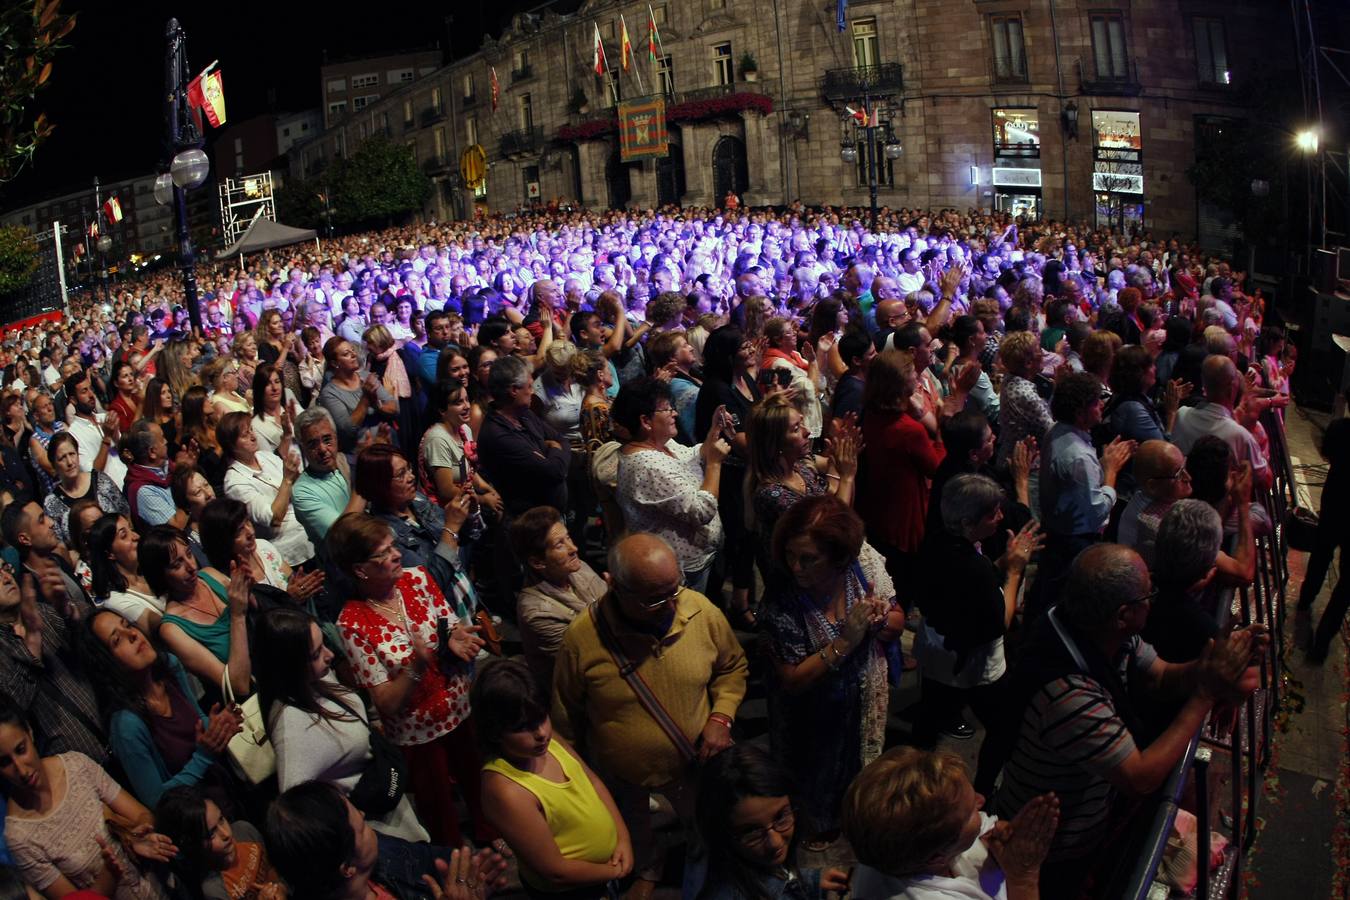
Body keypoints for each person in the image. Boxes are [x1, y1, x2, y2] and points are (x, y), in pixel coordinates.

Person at [993, 544, 1266, 896]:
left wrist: (1212, 665)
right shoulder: (1068, 694)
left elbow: (1160, 676)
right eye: (1147, 594)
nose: (1152, 600)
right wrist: (1207, 693)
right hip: (1048, 847)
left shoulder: (1093, 627)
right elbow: (1140, 777)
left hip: (1083, 822)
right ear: (1122, 614)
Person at [551, 533, 748, 899]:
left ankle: (702, 868)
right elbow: (566, 716)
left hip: (693, 765)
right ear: (613, 585)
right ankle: (649, 868)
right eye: (655, 599)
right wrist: (580, 780)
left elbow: (732, 667)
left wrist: (721, 718)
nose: (671, 605)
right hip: (622, 774)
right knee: (634, 829)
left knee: (705, 829)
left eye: (675, 589)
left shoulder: (700, 610)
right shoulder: (581, 640)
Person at [330, 512, 490, 847]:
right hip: (418, 735)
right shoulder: (352, 623)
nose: (397, 555)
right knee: (439, 811)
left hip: (459, 708)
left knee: (478, 784)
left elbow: (448, 625)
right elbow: (386, 702)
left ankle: (490, 834)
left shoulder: (417, 578)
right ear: (360, 570)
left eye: (394, 546)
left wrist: (455, 638)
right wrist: (416, 666)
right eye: (384, 553)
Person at [759, 495, 902, 849]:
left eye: (809, 559)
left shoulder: (862, 568)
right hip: (810, 717)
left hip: (860, 701)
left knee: (853, 765)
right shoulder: (782, 600)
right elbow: (791, 679)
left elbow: (898, 619)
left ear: (840, 557)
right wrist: (847, 639)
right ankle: (812, 824)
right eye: (791, 555)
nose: (796, 567)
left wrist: (881, 620)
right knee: (811, 776)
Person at [253, 606, 429, 842]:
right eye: (316, 654)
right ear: (290, 664)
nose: (329, 654)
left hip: (391, 809)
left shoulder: (316, 677)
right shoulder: (293, 727)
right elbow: (295, 813)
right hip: (373, 835)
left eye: (323, 644)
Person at [912, 476, 1042, 792]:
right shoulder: (975, 569)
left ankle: (913, 779)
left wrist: (1001, 562)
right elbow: (1001, 620)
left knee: (930, 715)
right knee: (1003, 726)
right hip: (974, 660)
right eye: (993, 513)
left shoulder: (936, 542)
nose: (1000, 517)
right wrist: (1014, 571)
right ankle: (982, 790)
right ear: (969, 522)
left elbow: (966, 585)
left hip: (936, 649)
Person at [474, 658, 632, 897]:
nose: (541, 733)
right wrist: (614, 872)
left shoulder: (547, 741)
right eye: (523, 727)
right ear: (495, 731)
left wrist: (623, 838)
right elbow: (555, 872)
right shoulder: (506, 790)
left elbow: (593, 782)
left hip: (603, 875)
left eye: (542, 718)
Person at [0, 701, 178, 900]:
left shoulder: (76, 766)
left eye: (21, 750)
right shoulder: (19, 837)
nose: (21, 770)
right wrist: (108, 874)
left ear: (30, 732)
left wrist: (133, 836)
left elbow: (142, 815)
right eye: (4, 762)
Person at [843, 748, 1059, 900]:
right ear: (937, 857)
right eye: (970, 811)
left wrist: (991, 839)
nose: (981, 799)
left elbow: (979, 828)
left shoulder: (884, 842)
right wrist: (1023, 878)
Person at [81, 609, 242, 808]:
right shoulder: (127, 725)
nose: (133, 634)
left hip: (223, 784)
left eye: (127, 625)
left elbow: (197, 721)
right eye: (117, 640)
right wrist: (203, 757)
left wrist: (218, 726)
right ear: (107, 664)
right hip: (195, 816)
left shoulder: (169, 666)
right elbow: (157, 800)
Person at [264, 780, 507, 900]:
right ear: (347, 868)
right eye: (359, 828)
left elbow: (433, 859)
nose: (362, 814)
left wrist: (471, 876)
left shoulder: (381, 852)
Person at [613, 378, 731, 593]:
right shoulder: (646, 465)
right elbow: (700, 510)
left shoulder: (663, 443)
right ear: (646, 421)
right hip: (683, 570)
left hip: (703, 556)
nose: (675, 413)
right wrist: (715, 464)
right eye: (668, 409)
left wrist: (714, 431)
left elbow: (693, 456)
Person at [1033, 373, 1134, 618]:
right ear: (1080, 412)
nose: (1101, 405)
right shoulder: (1078, 456)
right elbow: (1096, 510)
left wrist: (1101, 464)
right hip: (1073, 542)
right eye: (1095, 401)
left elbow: (1076, 485)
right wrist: (1110, 471)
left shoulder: (1057, 431)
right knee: (1063, 606)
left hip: (1057, 533)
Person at [0, 540, 108, 764]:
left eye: (5, 568)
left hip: (115, 739)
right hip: (69, 770)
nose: (5, 577)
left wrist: (65, 609)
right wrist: (32, 641)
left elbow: (93, 643)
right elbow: (14, 711)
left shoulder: (41, 611)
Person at [694, 743, 848, 900]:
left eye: (781, 817)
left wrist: (811, 882)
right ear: (720, 835)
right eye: (751, 831)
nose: (774, 843)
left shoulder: (758, 861)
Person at [745, 395, 859, 591]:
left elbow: (830, 497)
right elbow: (834, 527)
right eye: (796, 429)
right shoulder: (772, 496)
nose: (807, 432)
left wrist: (835, 463)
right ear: (776, 444)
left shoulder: (800, 469)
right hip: (796, 593)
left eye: (802, 423)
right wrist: (846, 476)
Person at [695, 325, 761, 623]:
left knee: (748, 536)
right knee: (734, 536)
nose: (751, 350)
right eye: (744, 347)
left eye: (750, 345)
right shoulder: (718, 389)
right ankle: (724, 605)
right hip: (729, 472)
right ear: (728, 355)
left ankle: (741, 598)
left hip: (749, 469)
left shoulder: (745, 377)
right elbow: (739, 440)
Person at [147, 524, 255, 702]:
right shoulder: (172, 629)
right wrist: (236, 615)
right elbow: (238, 686)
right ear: (160, 576)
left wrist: (248, 591)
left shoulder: (209, 575)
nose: (191, 566)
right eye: (177, 564)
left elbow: (254, 614)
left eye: (189, 554)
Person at [509, 506, 606, 691]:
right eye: (560, 544)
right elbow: (591, 656)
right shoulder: (537, 612)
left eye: (568, 537)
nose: (574, 548)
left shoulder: (578, 568)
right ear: (538, 562)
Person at [478, 354, 572, 518]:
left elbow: (562, 440)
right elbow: (554, 471)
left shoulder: (525, 414)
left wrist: (551, 449)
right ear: (514, 390)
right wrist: (552, 447)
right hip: (530, 524)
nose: (533, 391)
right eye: (529, 386)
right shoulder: (497, 436)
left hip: (550, 515)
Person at [154, 786, 288, 900]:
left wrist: (281, 888)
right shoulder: (212, 889)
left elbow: (274, 868)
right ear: (192, 845)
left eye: (222, 819)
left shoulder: (244, 830)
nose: (227, 834)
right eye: (211, 834)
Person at [220, 412, 313, 568]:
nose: (253, 436)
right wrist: (287, 480)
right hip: (290, 548)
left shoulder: (265, 456)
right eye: (245, 435)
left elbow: (297, 485)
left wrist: (295, 477)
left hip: (308, 526)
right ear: (232, 446)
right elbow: (273, 518)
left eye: (251, 430)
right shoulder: (234, 482)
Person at [1172, 355, 1272, 492]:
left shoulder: (1181, 414)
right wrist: (1262, 447)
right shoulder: (1241, 436)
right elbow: (1266, 482)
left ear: (1204, 385)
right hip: (1220, 509)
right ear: (1231, 389)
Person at [1299, 418, 1350, 663]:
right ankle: (1322, 641)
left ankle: (1305, 599)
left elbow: (1327, 452)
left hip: (1336, 499)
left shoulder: (1340, 428)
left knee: (1321, 553)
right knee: (1346, 586)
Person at [41, 430, 129, 547]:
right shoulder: (52, 502)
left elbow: (125, 513)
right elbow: (60, 546)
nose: (70, 462)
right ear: (54, 465)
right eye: (62, 458)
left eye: (72, 454)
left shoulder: (100, 479)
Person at [318, 338, 398, 457]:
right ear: (335, 363)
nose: (354, 355)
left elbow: (395, 408)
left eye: (353, 350)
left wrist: (377, 405)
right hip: (363, 455)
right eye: (346, 354)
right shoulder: (329, 394)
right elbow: (348, 430)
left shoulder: (366, 377)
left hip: (388, 444)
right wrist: (365, 399)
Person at [88, 512, 165, 632]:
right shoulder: (116, 601)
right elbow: (164, 628)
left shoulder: (149, 569)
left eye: (132, 529)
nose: (136, 536)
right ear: (110, 554)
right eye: (124, 535)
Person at [251, 362, 297, 456]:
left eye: (277, 382)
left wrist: (298, 423)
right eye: (268, 384)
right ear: (259, 390)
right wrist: (286, 436)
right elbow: (270, 463)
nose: (275, 388)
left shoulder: (292, 408)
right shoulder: (256, 425)